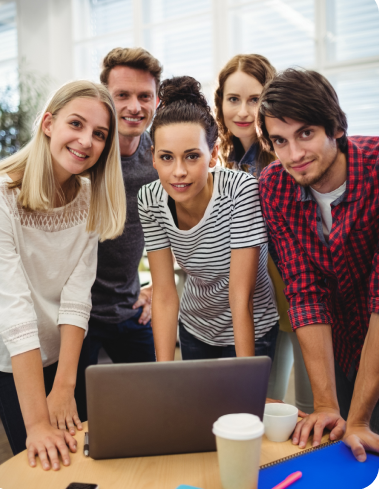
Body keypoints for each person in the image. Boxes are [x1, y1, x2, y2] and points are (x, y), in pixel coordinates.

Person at [0, 80, 126, 470]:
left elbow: (77, 296)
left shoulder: (88, 198)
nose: (86, 141)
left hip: (66, 353)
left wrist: (64, 385)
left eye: (99, 134)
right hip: (16, 359)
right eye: (76, 124)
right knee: (42, 463)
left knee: (79, 464)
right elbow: (15, 312)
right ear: (48, 123)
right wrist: (37, 422)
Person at [257, 68, 379, 462]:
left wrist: (359, 417)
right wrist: (329, 406)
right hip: (343, 347)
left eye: (305, 133)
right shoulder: (274, 186)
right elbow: (304, 290)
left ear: (336, 127)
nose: (294, 155)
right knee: (347, 449)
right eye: (280, 140)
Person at [137, 75, 279, 362]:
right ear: (153, 157)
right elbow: (164, 294)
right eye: (166, 157)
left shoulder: (241, 191)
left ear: (213, 154)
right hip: (196, 327)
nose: (178, 171)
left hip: (253, 327)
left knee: (245, 404)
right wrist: (164, 373)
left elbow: (241, 297)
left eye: (192, 156)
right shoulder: (150, 199)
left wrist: (246, 374)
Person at [214, 53, 313, 412]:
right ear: (220, 103)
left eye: (254, 100)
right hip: (258, 300)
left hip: (299, 292)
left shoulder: (285, 156)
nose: (242, 112)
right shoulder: (226, 161)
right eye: (233, 100)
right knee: (261, 401)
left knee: (311, 404)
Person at [88, 47, 161, 365]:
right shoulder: (84, 155)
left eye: (145, 96)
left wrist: (156, 288)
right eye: (122, 95)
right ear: (105, 98)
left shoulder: (161, 157)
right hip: (79, 313)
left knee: (155, 402)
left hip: (130, 309)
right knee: (81, 412)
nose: (135, 107)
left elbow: (180, 225)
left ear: (157, 100)